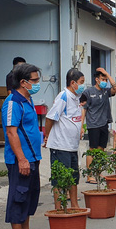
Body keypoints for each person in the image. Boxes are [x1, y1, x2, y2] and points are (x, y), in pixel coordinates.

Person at [2, 63, 45, 229]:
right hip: (21, 159)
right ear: (23, 82)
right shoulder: (13, 102)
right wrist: (21, 159)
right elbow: (12, 133)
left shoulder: (28, 100)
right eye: (34, 80)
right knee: (18, 195)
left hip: (33, 157)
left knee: (30, 195)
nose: (37, 84)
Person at [44, 68, 85, 210]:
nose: (82, 85)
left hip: (72, 145)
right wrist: (47, 136)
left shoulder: (76, 98)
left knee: (73, 177)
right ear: (72, 83)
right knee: (60, 178)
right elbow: (50, 117)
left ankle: (74, 205)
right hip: (61, 146)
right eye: (81, 82)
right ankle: (59, 208)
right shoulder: (64, 96)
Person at [81, 67, 116, 183]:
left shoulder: (105, 91)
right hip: (93, 125)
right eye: (102, 79)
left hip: (104, 124)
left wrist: (107, 73)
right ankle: (89, 175)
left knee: (101, 149)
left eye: (105, 80)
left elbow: (115, 88)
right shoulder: (88, 92)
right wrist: (82, 126)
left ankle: (98, 172)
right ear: (97, 80)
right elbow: (84, 109)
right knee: (92, 150)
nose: (105, 81)